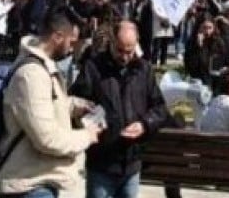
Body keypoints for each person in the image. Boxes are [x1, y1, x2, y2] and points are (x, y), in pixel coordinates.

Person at [0, 11, 102, 198]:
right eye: (71, 42)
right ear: (57, 36)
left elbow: (43, 105)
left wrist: (72, 106)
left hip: (38, 179)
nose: (72, 49)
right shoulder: (32, 75)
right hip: (28, 183)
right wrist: (86, 136)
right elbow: (46, 138)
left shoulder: (42, 67)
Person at [70, 22, 169, 198]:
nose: (124, 57)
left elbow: (159, 108)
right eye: (120, 50)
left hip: (132, 162)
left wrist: (144, 124)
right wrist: (86, 119)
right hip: (101, 161)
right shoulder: (93, 68)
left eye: (129, 51)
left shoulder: (144, 69)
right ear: (112, 42)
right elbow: (74, 104)